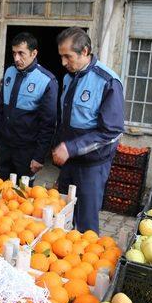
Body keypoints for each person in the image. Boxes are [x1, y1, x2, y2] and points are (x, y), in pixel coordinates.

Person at [52, 27, 124, 233]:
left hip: (92, 166)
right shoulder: (68, 78)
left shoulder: (107, 81)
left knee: (85, 225)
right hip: (69, 162)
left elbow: (112, 131)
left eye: (68, 56)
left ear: (84, 51)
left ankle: (86, 261)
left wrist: (71, 148)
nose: (64, 63)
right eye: (61, 57)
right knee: (62, 215)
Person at [0, 32, 58, 182]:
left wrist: (39, 157)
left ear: (34, 53)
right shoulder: (9, 72)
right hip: (6, 147)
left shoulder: (46, 80)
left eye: (21, 53)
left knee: (23, 197)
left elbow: (48, 124)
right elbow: (0, 108)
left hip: (27, 150)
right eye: (14, 53)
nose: (16, 58)